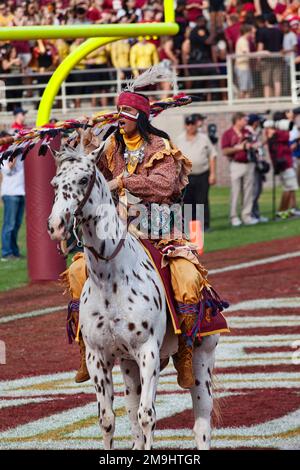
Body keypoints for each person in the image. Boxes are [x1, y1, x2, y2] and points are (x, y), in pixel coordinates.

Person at [61, 69, 228, 389]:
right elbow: (92, 178)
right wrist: (86, 142)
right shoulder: (112, 147)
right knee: (77, 271)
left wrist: (124, 180)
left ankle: (185, 351)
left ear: (139, 116)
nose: (121, 119)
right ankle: (86, 348)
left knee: (187, 277)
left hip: (161, 228)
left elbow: (164, 186)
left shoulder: (161, 146)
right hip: (119, 230)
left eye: (126, 113)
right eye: (119, 113)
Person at [175, 114, 217, 231]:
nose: (190, 127)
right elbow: (176, 158)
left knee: (201, 200)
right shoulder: (179, 139)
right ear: (185, 125)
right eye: (188, 124)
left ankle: (204, 226)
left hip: (202, 174)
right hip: (186, 175)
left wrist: (213, 174)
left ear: (196, 125)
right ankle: (189, 226)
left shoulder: (204, 138)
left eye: (192, 124)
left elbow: (212, 155)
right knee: (187, 201)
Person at [221, 112, 258, 227]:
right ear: (237, 120)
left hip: (249, 163)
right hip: (236, 164)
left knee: (248, 192)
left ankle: (246, 215)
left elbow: (256, 144)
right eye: (244, 119)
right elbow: (225, 151)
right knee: (235, 191)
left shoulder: (248, 132)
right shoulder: (228, 133)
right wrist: (239, 148)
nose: (246, 122)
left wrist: (253, 146)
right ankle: (234, 216)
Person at [266, 111, 300, 218]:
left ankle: (285, 211)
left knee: (290, 187)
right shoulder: (275, 132)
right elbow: (286, 136)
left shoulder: (275, 131)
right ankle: (281, 211)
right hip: (283, 163)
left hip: (286, 161)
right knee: (289, 187)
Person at [0, 130, 25, 261]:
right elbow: (8, 169)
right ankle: (6, 252)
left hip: (21, 192)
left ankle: (14, 251)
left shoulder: (21, 153)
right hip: (10, 193)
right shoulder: (2, 155)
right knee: (9, 225)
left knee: (16, 225)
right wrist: (14, 153)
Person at [246, 114, 269, 222]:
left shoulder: (254, 131)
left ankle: (256, 214)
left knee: (258, 190)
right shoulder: (248, 132)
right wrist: (265, 135)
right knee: (255, 191)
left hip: (258, 164)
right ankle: (252, 214)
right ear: (255, 122)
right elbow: (257, 145)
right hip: (253, 164)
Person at [257, 13, 284, 98]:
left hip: (266, 59)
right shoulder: (279, 31)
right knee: (277, 81)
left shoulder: (262, 31)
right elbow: (281, 46)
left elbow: (260, 47)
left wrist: (258, 59)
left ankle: (267, 103)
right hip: (278, 58)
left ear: (266, 21)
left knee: (266, 83)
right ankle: (277, 102)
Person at [235, 24, 254, 99]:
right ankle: (239, 108)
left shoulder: (245, 40)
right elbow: (246, 53)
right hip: (242, 67)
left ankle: (247, 107)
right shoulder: (242, 41)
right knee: (243, 89)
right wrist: (261, 53)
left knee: (248, 89)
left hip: (245, 66)